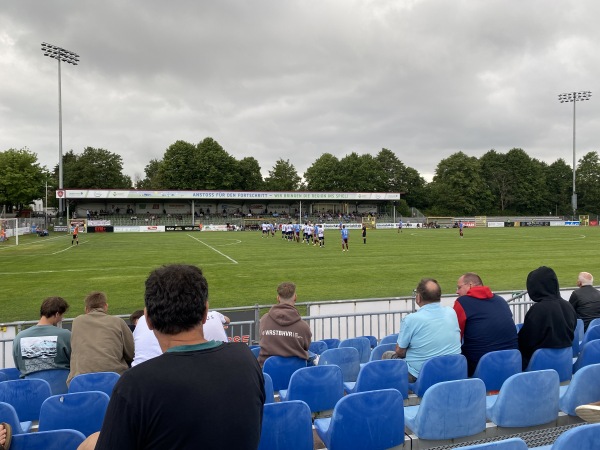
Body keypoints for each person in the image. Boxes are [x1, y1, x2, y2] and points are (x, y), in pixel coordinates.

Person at [78, 264, 265, 450]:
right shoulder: (246, 359)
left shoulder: (135, 384)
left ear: (148, 320)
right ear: (205, 313)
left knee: (90, 442)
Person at [383, 278, 461, 381]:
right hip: (452, 370)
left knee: (386, 355)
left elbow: (400, 351)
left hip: (419, 375)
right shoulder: (451, 312)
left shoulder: (411, 319)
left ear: (418, 298)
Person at [453, 273, 518, 376]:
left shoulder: (462, 302)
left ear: (470, 285)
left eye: (459, 287)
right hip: (511, 363)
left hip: (479, 367)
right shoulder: (501, 301)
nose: (457, 291)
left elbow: (455, 339)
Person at [67, 291, 134, 385]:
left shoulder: (77, 321)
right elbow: (131, 353)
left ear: (86, 309)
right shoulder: (117, 322)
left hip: (81, 381)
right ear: (105, 306)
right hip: (114, 378)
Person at [518, 266, 577, 369]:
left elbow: (525, 342)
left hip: (538, 367)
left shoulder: (537, 310)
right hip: (563, 365)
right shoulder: (568, 306)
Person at [12, 296, 71, 377]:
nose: (62, 319)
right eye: (62, 315)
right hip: (61, 385)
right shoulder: (65, 335)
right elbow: (73, 362)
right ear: (57, 314)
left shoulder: (20, 337)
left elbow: (19, 366)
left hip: (31, 386)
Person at [258, 282, 312, 366]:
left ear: (278, 298)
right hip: (293, 372)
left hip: (266, 371)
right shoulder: (303, 326)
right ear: (295, 297)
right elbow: (306, 347)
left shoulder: (264, 319)